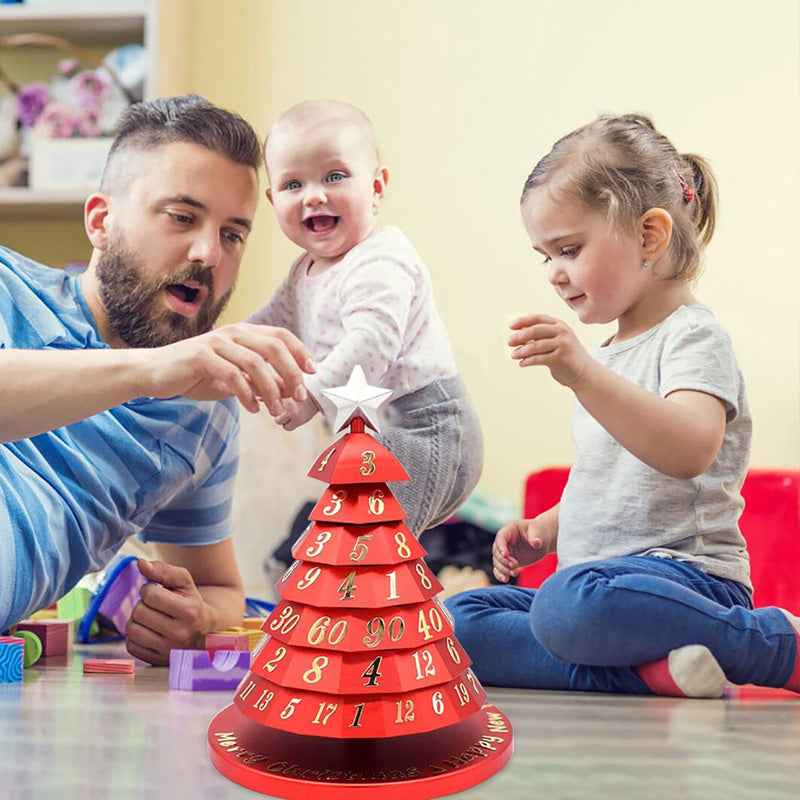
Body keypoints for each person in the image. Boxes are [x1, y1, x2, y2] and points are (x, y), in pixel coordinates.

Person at [446, 114, 800, 698]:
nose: (556, 275)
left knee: (566, 607)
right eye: (546, 257)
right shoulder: (608, 355)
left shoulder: (693, 338)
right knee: (453, 622)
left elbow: (688, 450)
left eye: (569, 248)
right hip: (597, 582)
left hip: (687, 584)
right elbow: (610, 477)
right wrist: (547, 530)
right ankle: (654, 674)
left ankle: (766, 642)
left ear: (649, 236)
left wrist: (583, 373)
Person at [0, 95, 316, 665]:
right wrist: (152, 371)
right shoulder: (6, 286)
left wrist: (196, 620)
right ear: (100, 221)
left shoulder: (204, 412)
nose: (207, 253)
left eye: (233, 234)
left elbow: (222, 590)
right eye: (182, 217)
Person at [247, 100, 483, 537]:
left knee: (370, 545)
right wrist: (221, 349)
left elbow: (371, 341)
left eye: (334, 176)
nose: (314, 195)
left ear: (377, 187)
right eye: (293, 183)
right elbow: (267, 326)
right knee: (332, 543)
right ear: (273, 199)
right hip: (377, 430)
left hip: (427, 430)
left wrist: (313, 395)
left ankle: (369, 607)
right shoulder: (306, 270)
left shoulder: (380, 260)